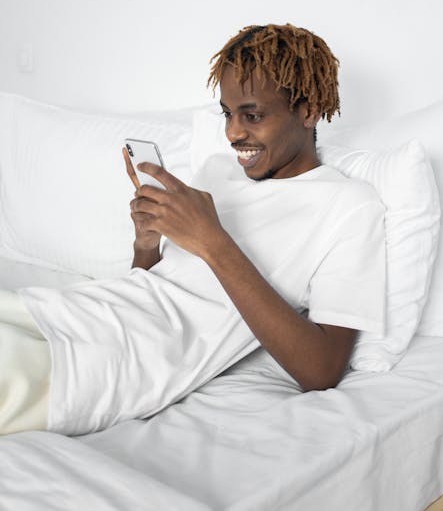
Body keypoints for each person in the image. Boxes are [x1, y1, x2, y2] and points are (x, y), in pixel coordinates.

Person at [0, 23, 386, 437]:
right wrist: (147, 244)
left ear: (307, 111)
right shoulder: (218, 173)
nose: (233, 133)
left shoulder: (348, 205)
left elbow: (320, 370)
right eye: (227, 113)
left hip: (102, 361)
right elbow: (157, 290)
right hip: (64, 310)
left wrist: (213, 242)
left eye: (252, 115)